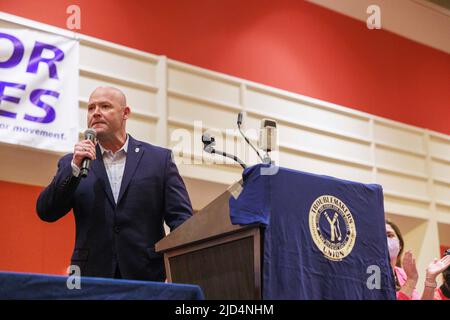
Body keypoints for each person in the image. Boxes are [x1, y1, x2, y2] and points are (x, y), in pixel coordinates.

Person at [36, 86, 193, 281]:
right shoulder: (74, 163)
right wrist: (74, 168)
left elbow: (182, 221)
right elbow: (46, 211)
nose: (96, 113)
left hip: (146, 277)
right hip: (88, 277)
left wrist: (178, 269)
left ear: (125, 113)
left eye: (105, 106)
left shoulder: (159, 160)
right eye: (91, 108)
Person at [386, 220, 450, 300]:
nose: (386, 240)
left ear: (400, 244)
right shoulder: (371, 273)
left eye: (389, 235)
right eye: (382, 236)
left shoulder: (403, 274)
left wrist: (430, 278)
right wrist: (411, 281)